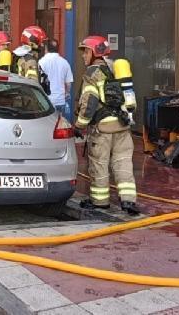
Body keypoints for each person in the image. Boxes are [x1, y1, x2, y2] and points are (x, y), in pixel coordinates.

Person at [73, 35, 140, 216]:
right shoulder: (115, 69)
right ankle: (128, 201)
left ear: (95, 53)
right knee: (123, 163)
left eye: (85, 51)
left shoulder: (92, 74)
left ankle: (100, 202)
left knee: (99, 164)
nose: (83, 56)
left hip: (102, 130)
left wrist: (79, 125)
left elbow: (89, 102)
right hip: (122, 126)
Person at [39, 39, 73, 118]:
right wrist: (67, 93)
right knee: (58, 125)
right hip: (60, 101)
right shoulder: (65, 62)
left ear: (46, 48)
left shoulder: (41, 62)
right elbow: (68, 84)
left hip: (45, 101)